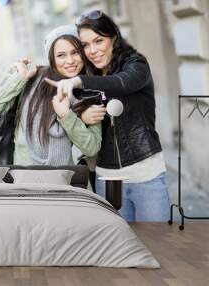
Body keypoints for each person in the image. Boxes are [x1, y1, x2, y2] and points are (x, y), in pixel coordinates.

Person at [45, 11, 170, 222]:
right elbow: (60, 70)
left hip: (146, 173)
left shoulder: (135, 65)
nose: (92, 50)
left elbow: (121, 83)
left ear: (113, 38)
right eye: (85, 45)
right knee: (120, 248)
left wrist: (80, 81)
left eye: (98, 41)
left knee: (159, 245)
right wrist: (81, 115)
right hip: (107, 177)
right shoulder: (89, 74)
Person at [0, 25, 105, 166]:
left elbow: (92, 148)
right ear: (51, 58)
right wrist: (20, 79)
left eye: (75, 52)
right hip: (22, 178)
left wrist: (67, 115)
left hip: (62, 180)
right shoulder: (33, 79)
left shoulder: (89, 92)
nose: (70, 61)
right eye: (61, 55)